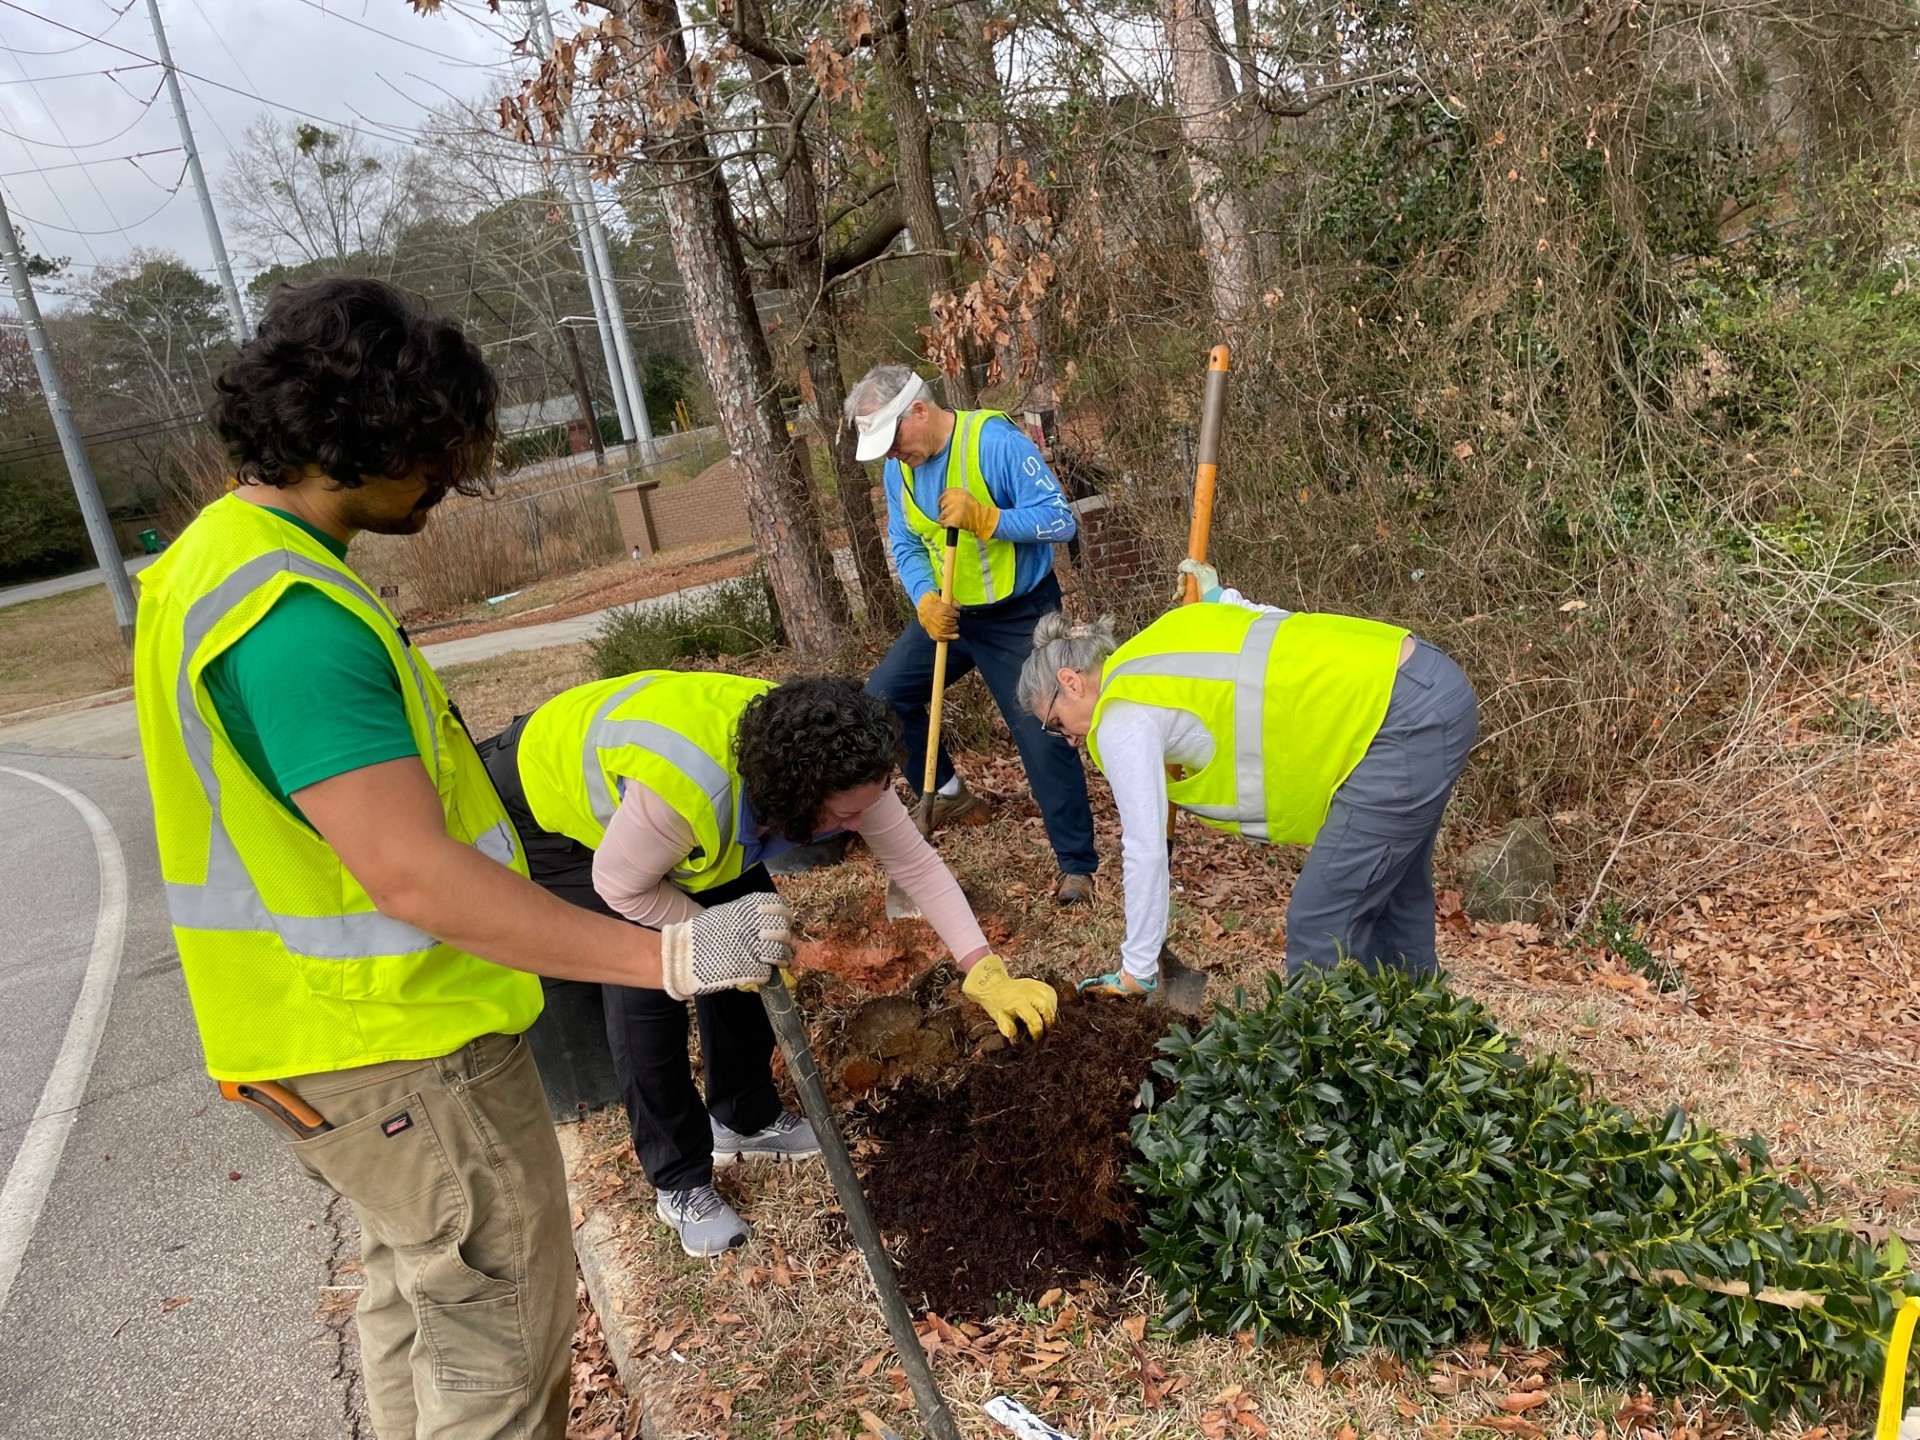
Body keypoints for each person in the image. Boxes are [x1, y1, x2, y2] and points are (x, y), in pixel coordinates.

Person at [132, 276, 793, 1440]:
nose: (450, 481)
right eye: (434, 453)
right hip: (401, 1053)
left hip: (319, 1043)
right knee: (495, 1369)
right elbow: (416, 878)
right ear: (358, 439)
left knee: (415, 1310)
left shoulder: (215, 562)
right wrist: (673, 960)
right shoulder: (289, 618)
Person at [482, 671, 1058, 1256]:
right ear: (797, 799)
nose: (862, 825)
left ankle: (744, 1116)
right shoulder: (688, 798)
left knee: (751, 931)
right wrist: (708, 938)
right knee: (647, 983)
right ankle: (679, 1180)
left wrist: (982, 967)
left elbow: (917, 864)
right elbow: (620, 886)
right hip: (543, 802)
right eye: (845, 816)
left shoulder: (844, 763)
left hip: (667, 792)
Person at [1015, 562, 1478, 991]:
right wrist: (1218, 592)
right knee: (1396, 903)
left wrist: (1137, 969)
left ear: (1071, 681)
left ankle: (1325, 1069)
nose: (1069, 740)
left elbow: (1144, 849)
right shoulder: (1171, 632)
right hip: (1422, 676)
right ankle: (1423, 1043)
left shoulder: (1118, 714)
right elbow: (1251, 618)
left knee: (1319, 921)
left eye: (1055, 724)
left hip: (1395, 722)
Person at [847, 363, 1100, 905]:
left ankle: (1077, 865)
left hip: (1021, 615)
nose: (891, 455)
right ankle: (946, 793)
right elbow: (909, 545)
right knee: (884, 699)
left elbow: (1061, 521)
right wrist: (924, 599)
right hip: (955, 616)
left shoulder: (994, 442)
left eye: (892, 440)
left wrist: (989, 518)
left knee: (1042, 729)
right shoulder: (901, 472)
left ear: (918, 410)